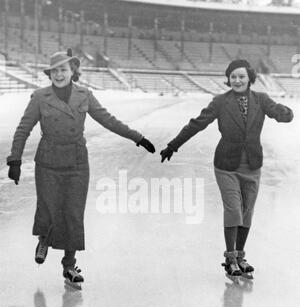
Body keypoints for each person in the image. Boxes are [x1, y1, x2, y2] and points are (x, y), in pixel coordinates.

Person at [7, 49, 155, 288]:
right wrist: (14, 160)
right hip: (48, 161)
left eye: (63, 70)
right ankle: (44, 239)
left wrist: (137, 138)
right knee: (48, 209)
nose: (58, 74)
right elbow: (24, 128)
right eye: (54, 70)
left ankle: (69, 265)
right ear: (49, 74)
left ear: (73, 71)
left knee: (74, 214)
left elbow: (108, 120)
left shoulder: (85, 95)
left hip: (76, 162)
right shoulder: (39, 97)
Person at [160, 59, 293, 279]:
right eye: (233, 77)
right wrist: (173, 145)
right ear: (228, 79)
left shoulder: (261, 100)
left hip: (252, 165)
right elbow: (197, 123)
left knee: (247, 211)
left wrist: (283, 112)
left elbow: (284, 115)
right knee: (234, 209)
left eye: (241, 76)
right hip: (226, 165)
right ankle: (230, 258)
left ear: (250, 78)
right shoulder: (221, 102)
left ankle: (241, 255)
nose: (237, 80)